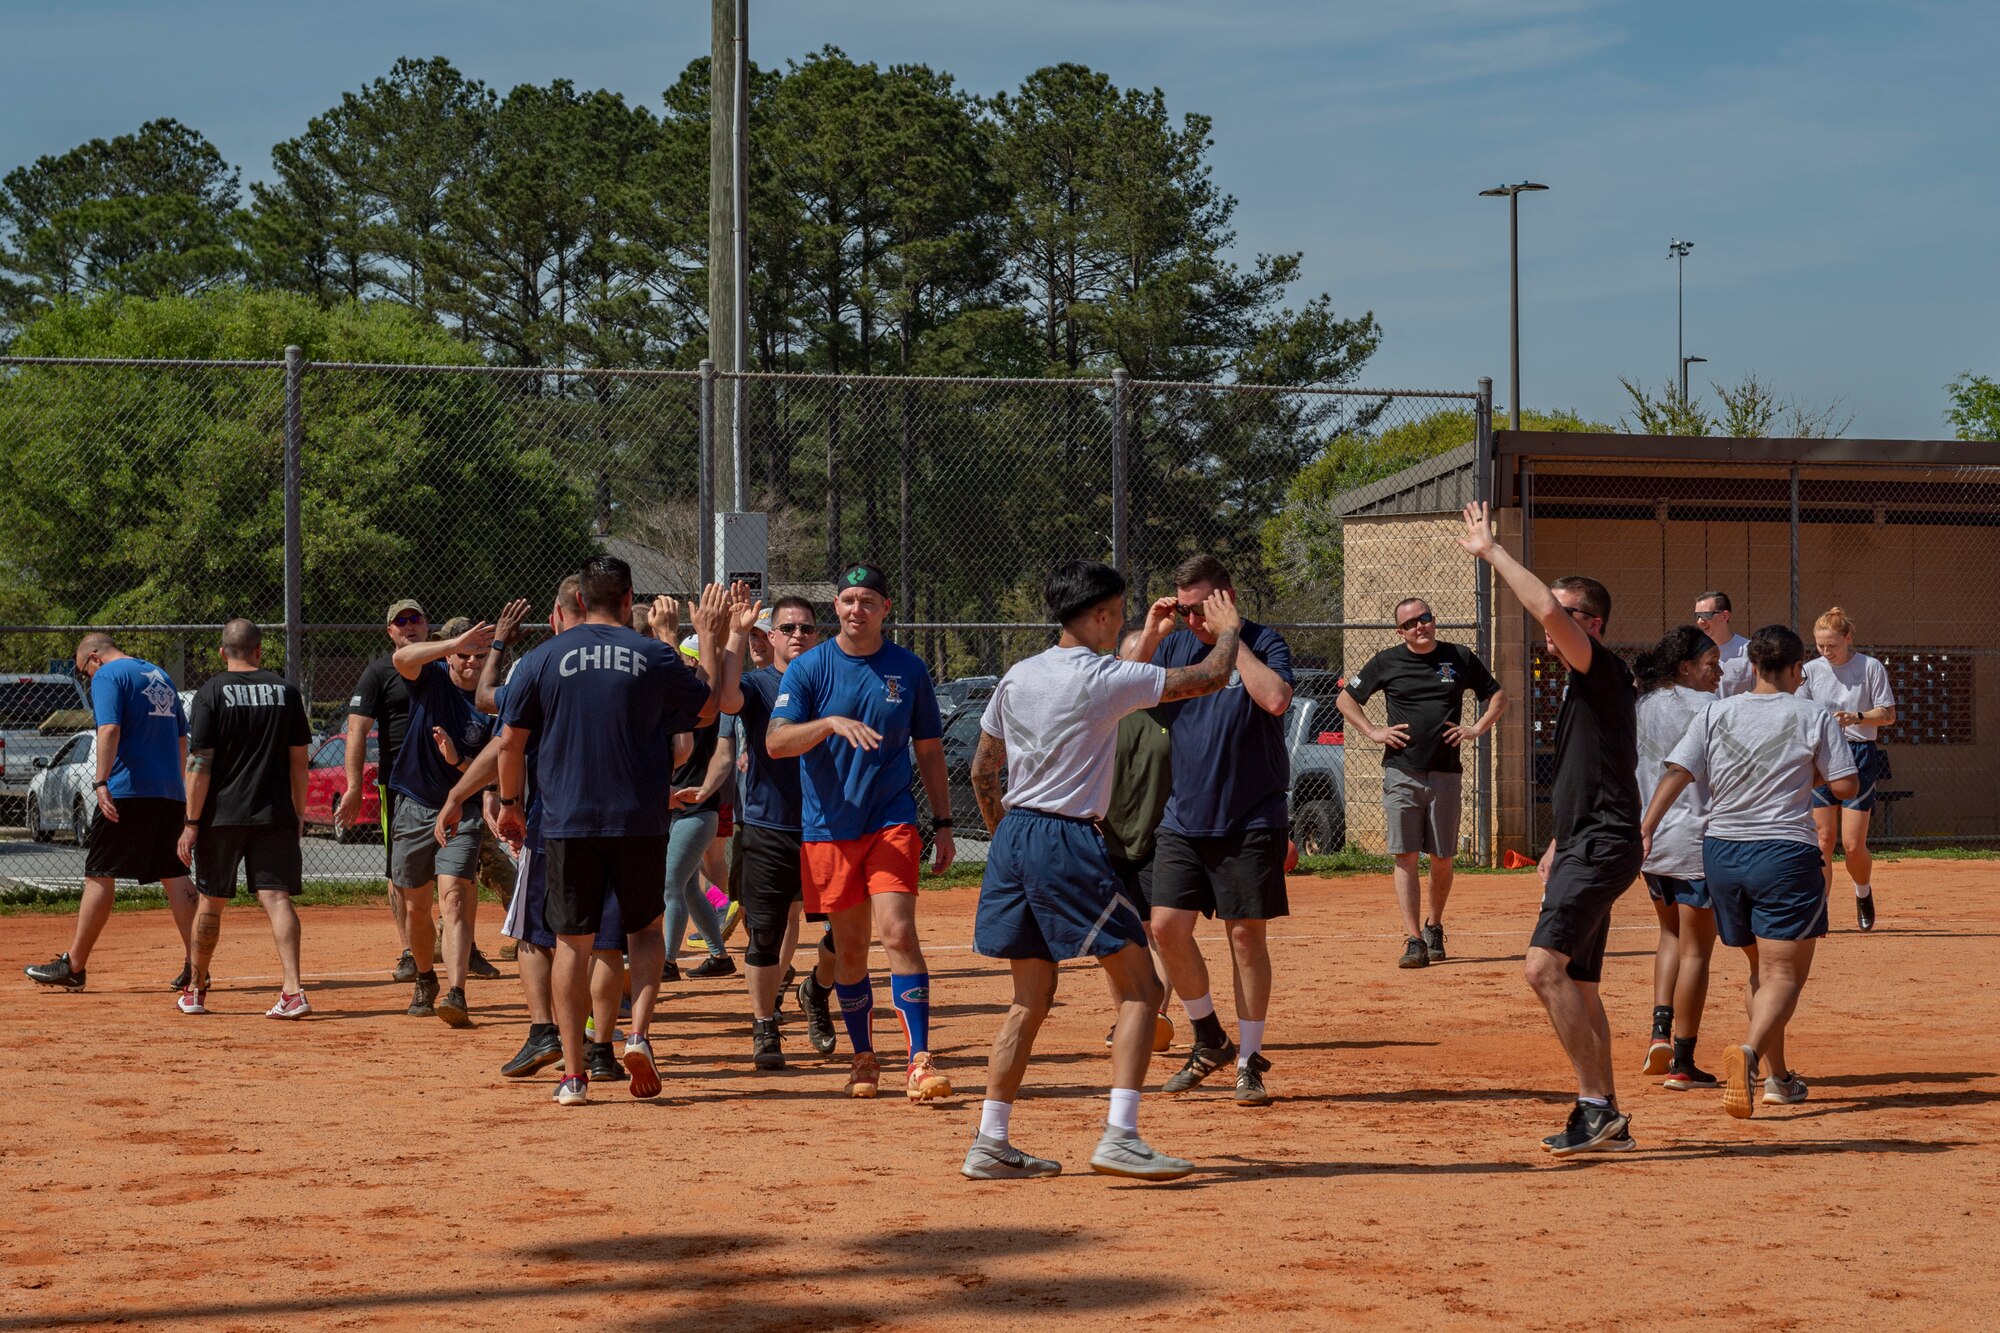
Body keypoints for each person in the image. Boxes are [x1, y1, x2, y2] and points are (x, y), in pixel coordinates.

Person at [963, 561, 1242, 1183]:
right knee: (1142, 989)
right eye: (1116, 611)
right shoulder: (1101, 675)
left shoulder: (1018, 674)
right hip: (1064, 837)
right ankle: (1121, 1135)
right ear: (1098, 616)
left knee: (1028, 1001)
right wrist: (1227, 628)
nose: (1118, 620)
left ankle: (990, 1140)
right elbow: (1210, 677)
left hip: (1013, 835)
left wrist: (1010, 836)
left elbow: (985, 772)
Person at [495, 559, 737, 1106]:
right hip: (640, 819)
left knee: (570, 944)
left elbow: (510, 742)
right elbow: (705, 711)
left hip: (564, 821)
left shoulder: (542, 658)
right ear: (630, 600)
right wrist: (709, 638)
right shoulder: (651, 654)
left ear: (577, 599)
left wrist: (511, 804)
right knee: (645, 932)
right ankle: (636, 1035)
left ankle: (574, 1076)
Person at [1456, 501, 1644, 1155]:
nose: (1550, 626)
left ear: (1589, 624)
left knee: (1542, 969)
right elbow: (1597, 770)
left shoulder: (1599, 668)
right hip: (1586, 841)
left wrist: (1493, 551)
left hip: (1603, 843)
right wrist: (1560, 841)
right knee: (1581, 984)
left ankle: (1594, 1107)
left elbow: (1544, 611)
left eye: (1567, 615)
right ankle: (1608, 1115)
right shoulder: (1580, 684)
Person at [1642, 625, 1858, 1118]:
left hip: (1721, 854)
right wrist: (1813, 771)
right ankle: (1750, 1054)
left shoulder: (1718, 710)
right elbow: (1846, 786)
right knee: (1785, 974)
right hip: (1783, 853)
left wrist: (1647, 827)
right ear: (1796, 668)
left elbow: (1678, 770)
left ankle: (1779, 1078)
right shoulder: (1812, 713)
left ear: (1754, 666)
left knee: (1761, 969)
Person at [767, 562, 956, 1103]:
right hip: (828, 827)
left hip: (890, 820)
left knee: (898, 933)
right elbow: (777, 743)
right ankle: (863, 1057)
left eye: (867, 600)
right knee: (849, 950)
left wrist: (942, 823)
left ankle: (919, 1059)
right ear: (837, 608)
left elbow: (929, 752)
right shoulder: (809, 669)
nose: (856, 609)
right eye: (848, 600)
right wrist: (827, 723)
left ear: (884, 609)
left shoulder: (909, 669)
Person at [1120, 554, 1294, 1107]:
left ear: (1227, 597)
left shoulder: (1264, 642)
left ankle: (1249, 1059)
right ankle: (1208, 1036)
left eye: (1201, 609)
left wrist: (1231, 638)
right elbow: (1122, 685)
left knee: (1245, 937)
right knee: (1166, 928)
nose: (1192, 620)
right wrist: (1153, 630)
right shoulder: (1172, 646)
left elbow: (1274, 698)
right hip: (1184, 815)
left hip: (1250, 815)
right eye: (1185, 609)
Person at [1337, 596, 1507, 968]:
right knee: (1405, 855)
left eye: (1425, 618)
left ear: (1433, 619)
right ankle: (1414, 939)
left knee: (1443, 858)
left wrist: (1477, 728)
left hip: (1446, 772)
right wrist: (1372, 731)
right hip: (1402, 771)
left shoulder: (1458, 657)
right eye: (1411, 623)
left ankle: (1434, 926)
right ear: (1401, 631)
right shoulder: (1386, 661)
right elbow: (1346, 699)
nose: (1420, 626)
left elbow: (1498, 696)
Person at [24, 634, 196, 991]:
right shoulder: (159, 675)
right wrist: (176, 784)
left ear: (94, 657)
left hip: (126, 791)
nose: (87, 678)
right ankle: (199, 963)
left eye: (83, 671)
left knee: (99, 875)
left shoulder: (107, 675)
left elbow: (110, 729)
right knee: (175, 875)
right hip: (169, 792)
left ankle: (74, 966)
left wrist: (101, 780)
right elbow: (183, 738)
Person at [173, 620, 313, 1018]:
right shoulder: (287, 692)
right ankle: (292, 990)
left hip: (222, 816)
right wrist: (298, 812)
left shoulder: (210, 692)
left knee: (211, 902)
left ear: (223, 653)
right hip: (275, 812)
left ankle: (196, 991)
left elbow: (200, 763)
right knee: (276, 897)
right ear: (259, 650)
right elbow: (299, 763)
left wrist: (190, 821)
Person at [726, 594, 837, 1069]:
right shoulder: (757, 684)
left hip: (831, 826)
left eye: (806, 628)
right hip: (770, 827)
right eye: (787, 628)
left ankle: (817, 989)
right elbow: (725, 699)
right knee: (765, 936)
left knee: (845, 935)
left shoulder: (833, 682)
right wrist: (733, 631)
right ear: (769, 637)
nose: (797, 635)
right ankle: (764, 1025)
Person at [387, 615, 497, 1027]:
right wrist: (454, 644)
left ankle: (457, 993)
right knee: (416, 907)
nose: (470, 663)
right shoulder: (432, 677)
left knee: (453, 900)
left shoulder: (491, 703)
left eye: (478, 656)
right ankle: (426, 977)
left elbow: (495, 768)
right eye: (463, 655)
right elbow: (403, 658)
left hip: (462, 810)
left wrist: (458, 761)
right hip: (415, 803)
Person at [1632, 626, 1722, 1090]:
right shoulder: (1709, 709)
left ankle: (1658, 1034)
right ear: (1685, 667)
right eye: (1711, 665)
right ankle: (1683, 1063)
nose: (1719, 672)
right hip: (1696, 839)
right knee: (1697, 952)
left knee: (1668, 935)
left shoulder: (1644, 704)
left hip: (1652, 841)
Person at [1095, 629, 1181, 1054]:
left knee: (1161, 932)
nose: (1139, 671)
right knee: (1117, 938)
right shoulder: (1103, 714)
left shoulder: (1172, 713)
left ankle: (1156, 1017)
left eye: (1148, 663)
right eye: (1131, 662)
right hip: (1105, 839)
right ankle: (1128, 1016)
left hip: (1162, 838)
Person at [339, 599, 424, 981]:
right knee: (399, 871)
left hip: (448, 783)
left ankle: (464, 947)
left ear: (426, 625)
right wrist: (354, 787)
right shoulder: (378, 673)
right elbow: (356, 730)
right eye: (400, 621)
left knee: (461, 875)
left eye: (415, 619)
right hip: (399, 786)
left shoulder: (443, 667)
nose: (409, 625)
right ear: (390, 631)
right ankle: (410, 950)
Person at [1801, 607, 1897, 932]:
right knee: (1823, 839)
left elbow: (1888, 714)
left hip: (1858, 753)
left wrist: (1856, 717)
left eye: (1832, 645)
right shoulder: (1811, 670)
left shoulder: (1870, 667)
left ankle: (1862, 891)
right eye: (1820, 646)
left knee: (1853, 844)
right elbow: (1800, 711)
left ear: (1847, 638)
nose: (1826, 652)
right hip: (1821, 755)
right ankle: (1821, 911)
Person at [659, 630, 737, 979]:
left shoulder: (694, 702)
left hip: (695, 806)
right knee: (689, 886)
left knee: (671, 885)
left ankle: (667, 961)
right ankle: (720, 957)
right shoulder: (708, 699)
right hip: (685, 806)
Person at [1695, 591, 1753, 698]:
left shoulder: (1749, 652)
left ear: (1724, 616)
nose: (1699, 621)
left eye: (1706, 615)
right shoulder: (1694, 653)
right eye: (1697, 616)